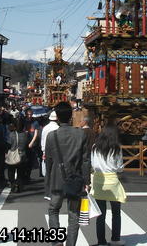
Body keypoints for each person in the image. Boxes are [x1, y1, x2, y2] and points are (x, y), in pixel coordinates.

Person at [45, 102, 91, 246]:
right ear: (71, 116)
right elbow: (85, 160)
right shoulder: (80, 134)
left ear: (57, 117)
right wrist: (86, 181)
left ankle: (57, 241)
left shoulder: (51, 136)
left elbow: (49, 162)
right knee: (73, 215)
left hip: (56, 179)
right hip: (76, 179)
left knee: (53, 210)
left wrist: (47, 184)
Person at [91, 125, 126, 246]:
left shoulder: (95, 147)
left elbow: (93, 164)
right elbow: (119, 167)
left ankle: (101, 241)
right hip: (112, 180)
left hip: (98, 180)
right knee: (116, 213)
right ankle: (115, 239)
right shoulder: (117, 148)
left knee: (101, 214)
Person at [41, 111, 60, 200]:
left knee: (48, 172)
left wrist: (43, 151)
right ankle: (55, 191)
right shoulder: (58, 128)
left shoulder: (45, 128)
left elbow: (42, 140)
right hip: (56, 152)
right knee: (56, 172)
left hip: (47, 151)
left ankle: (47, 192)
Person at [7, 119, 28, 193]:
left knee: (11, 171)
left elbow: (8, 144)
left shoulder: (11, 134)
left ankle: (12, 185)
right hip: (22, 154)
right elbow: (27, 145)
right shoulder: (25, 134)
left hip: (13, 155)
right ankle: (19, 186)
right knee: (20, 172)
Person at [23, 108, 40, 183]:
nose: (29, 116)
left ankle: (28, 176)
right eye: (28, 114)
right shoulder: (23, 121)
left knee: (30, 160)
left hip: (32, 144)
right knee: (23, 161)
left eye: (30, 114)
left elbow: (36, 134)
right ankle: (23, 176)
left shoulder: (35, 122)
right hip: (24, 143)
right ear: (26, 114)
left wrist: (31, 143)